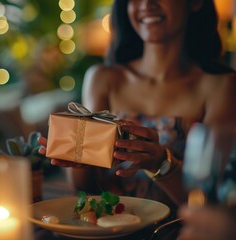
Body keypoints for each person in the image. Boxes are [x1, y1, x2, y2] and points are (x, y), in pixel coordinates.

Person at [39, 0, 236, 210]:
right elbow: (84, 187)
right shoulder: (103, 79)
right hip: (109, 229)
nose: (146, 4)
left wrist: (161, 163)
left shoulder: (221, 86)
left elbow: (213, 203)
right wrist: (76, 155)